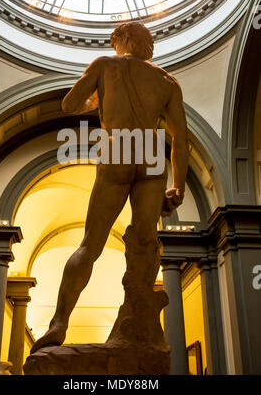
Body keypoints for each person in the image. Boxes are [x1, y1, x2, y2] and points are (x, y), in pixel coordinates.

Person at [30, 22, 188, 354]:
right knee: (144, 242)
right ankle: (142, 324)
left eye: (115, 39)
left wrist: (99, 98)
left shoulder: (104, 65)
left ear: (126, 38)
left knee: (91, 244)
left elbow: (70, 104)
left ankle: (59, 323)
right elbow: (180, 139)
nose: (112, 44)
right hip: (151, 155)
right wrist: (179, 185)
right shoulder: (167, 81)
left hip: (117, 148)